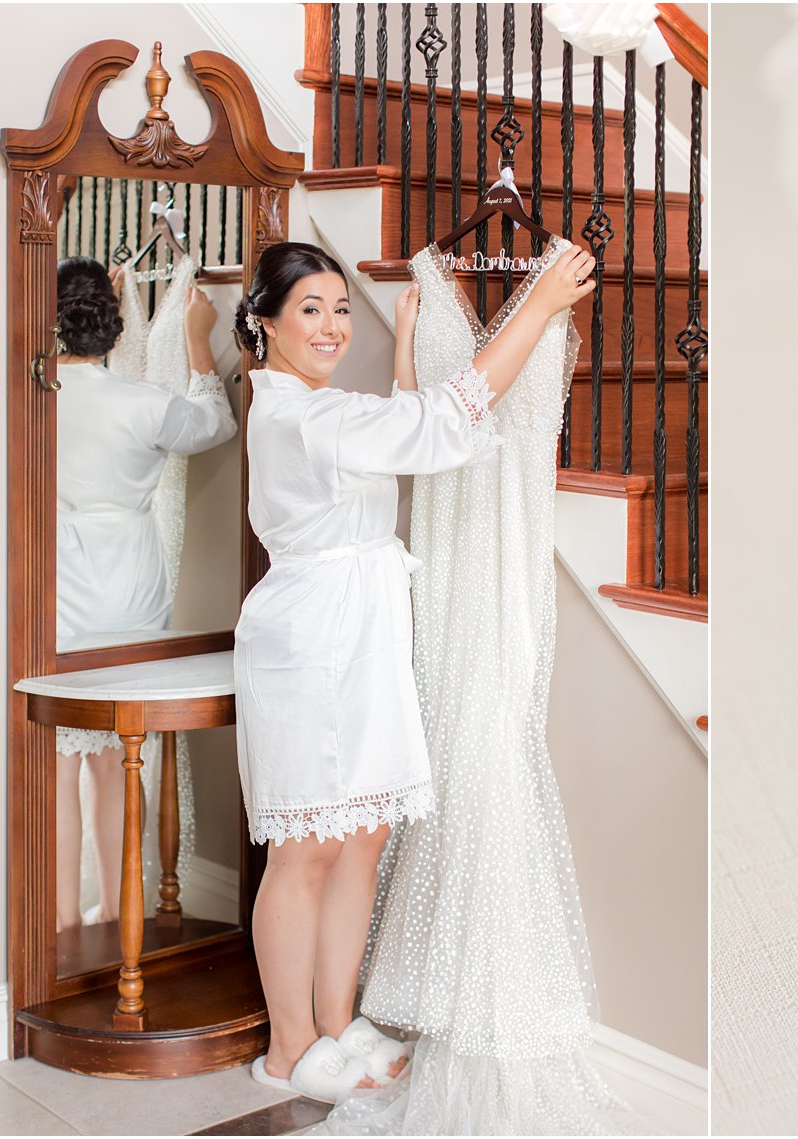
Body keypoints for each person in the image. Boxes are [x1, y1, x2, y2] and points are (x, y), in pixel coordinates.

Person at [234, 240, 596, 1104]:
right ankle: (289, 1048)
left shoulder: (328, 411)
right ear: (266, 324)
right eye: (309, 309)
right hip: (312, 641)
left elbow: (397, 436)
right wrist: (539, 305)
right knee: (306, 845)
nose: (329, 325)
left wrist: (401, 346)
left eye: (338, 308)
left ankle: (337, 1018)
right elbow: (435, 426)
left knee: (363, 834)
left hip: (363, 634)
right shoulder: (295, 417)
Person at [52, 255, 236, 932]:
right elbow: (216, 424)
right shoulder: (140, 404)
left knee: (57, 763)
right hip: (129, 582)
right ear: (116, 319)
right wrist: (195, 339)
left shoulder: (33, 394)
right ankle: (113, 910)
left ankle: (64, 918)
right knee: (112, 759)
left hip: (58, 577)